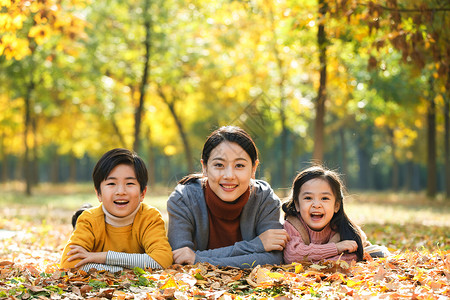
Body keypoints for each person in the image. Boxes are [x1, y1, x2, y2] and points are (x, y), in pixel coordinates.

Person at [167, 126, 289, 268]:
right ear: (204, 168)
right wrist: (256, 245)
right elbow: (181, 259)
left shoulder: (264, 199)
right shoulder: (183, 199)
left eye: (239, 165)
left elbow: (273, 258)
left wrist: (198, 258)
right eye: (219, 165)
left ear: (254, 168)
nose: (229, 175)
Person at [61, 148, 173, 272]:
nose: (121, 192)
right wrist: (124, 271)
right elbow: (68, 263)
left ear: (143, 193)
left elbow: (162, 260)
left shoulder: (150, 217)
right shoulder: (89, 220)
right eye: (111, 184)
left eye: (129, 183)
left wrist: (102, 257)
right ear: (98, 193)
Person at [282, 165, 387, 264]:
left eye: (325, 198)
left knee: (379, 254)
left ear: (336, 206)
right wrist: (336, 248)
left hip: (364, 246)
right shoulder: (292, 226)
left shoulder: (340, 228)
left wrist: (315, 262)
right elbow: (292, 255)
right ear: (297, 205)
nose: (316, 205)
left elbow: (352, 256)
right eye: (308, 198)